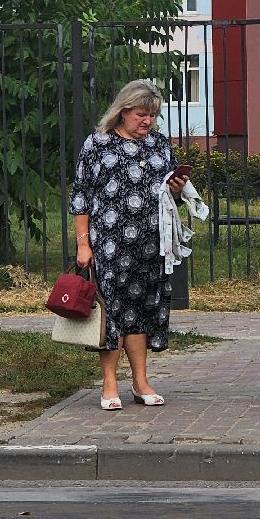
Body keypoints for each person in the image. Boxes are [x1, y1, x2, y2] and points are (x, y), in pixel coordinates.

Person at [71, 80, 189, 411]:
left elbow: (171, 196)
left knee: (142, 312)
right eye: (141, 114)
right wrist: (83, 244)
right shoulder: (98, 144)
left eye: (153, 115)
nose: (147, 121)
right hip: (109, 246)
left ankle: (140, 382)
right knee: (112, 313)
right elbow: (81, 196)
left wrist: (177, 189)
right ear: (123, 112)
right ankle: (109, 384)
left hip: (151, 246)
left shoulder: (160, 145)